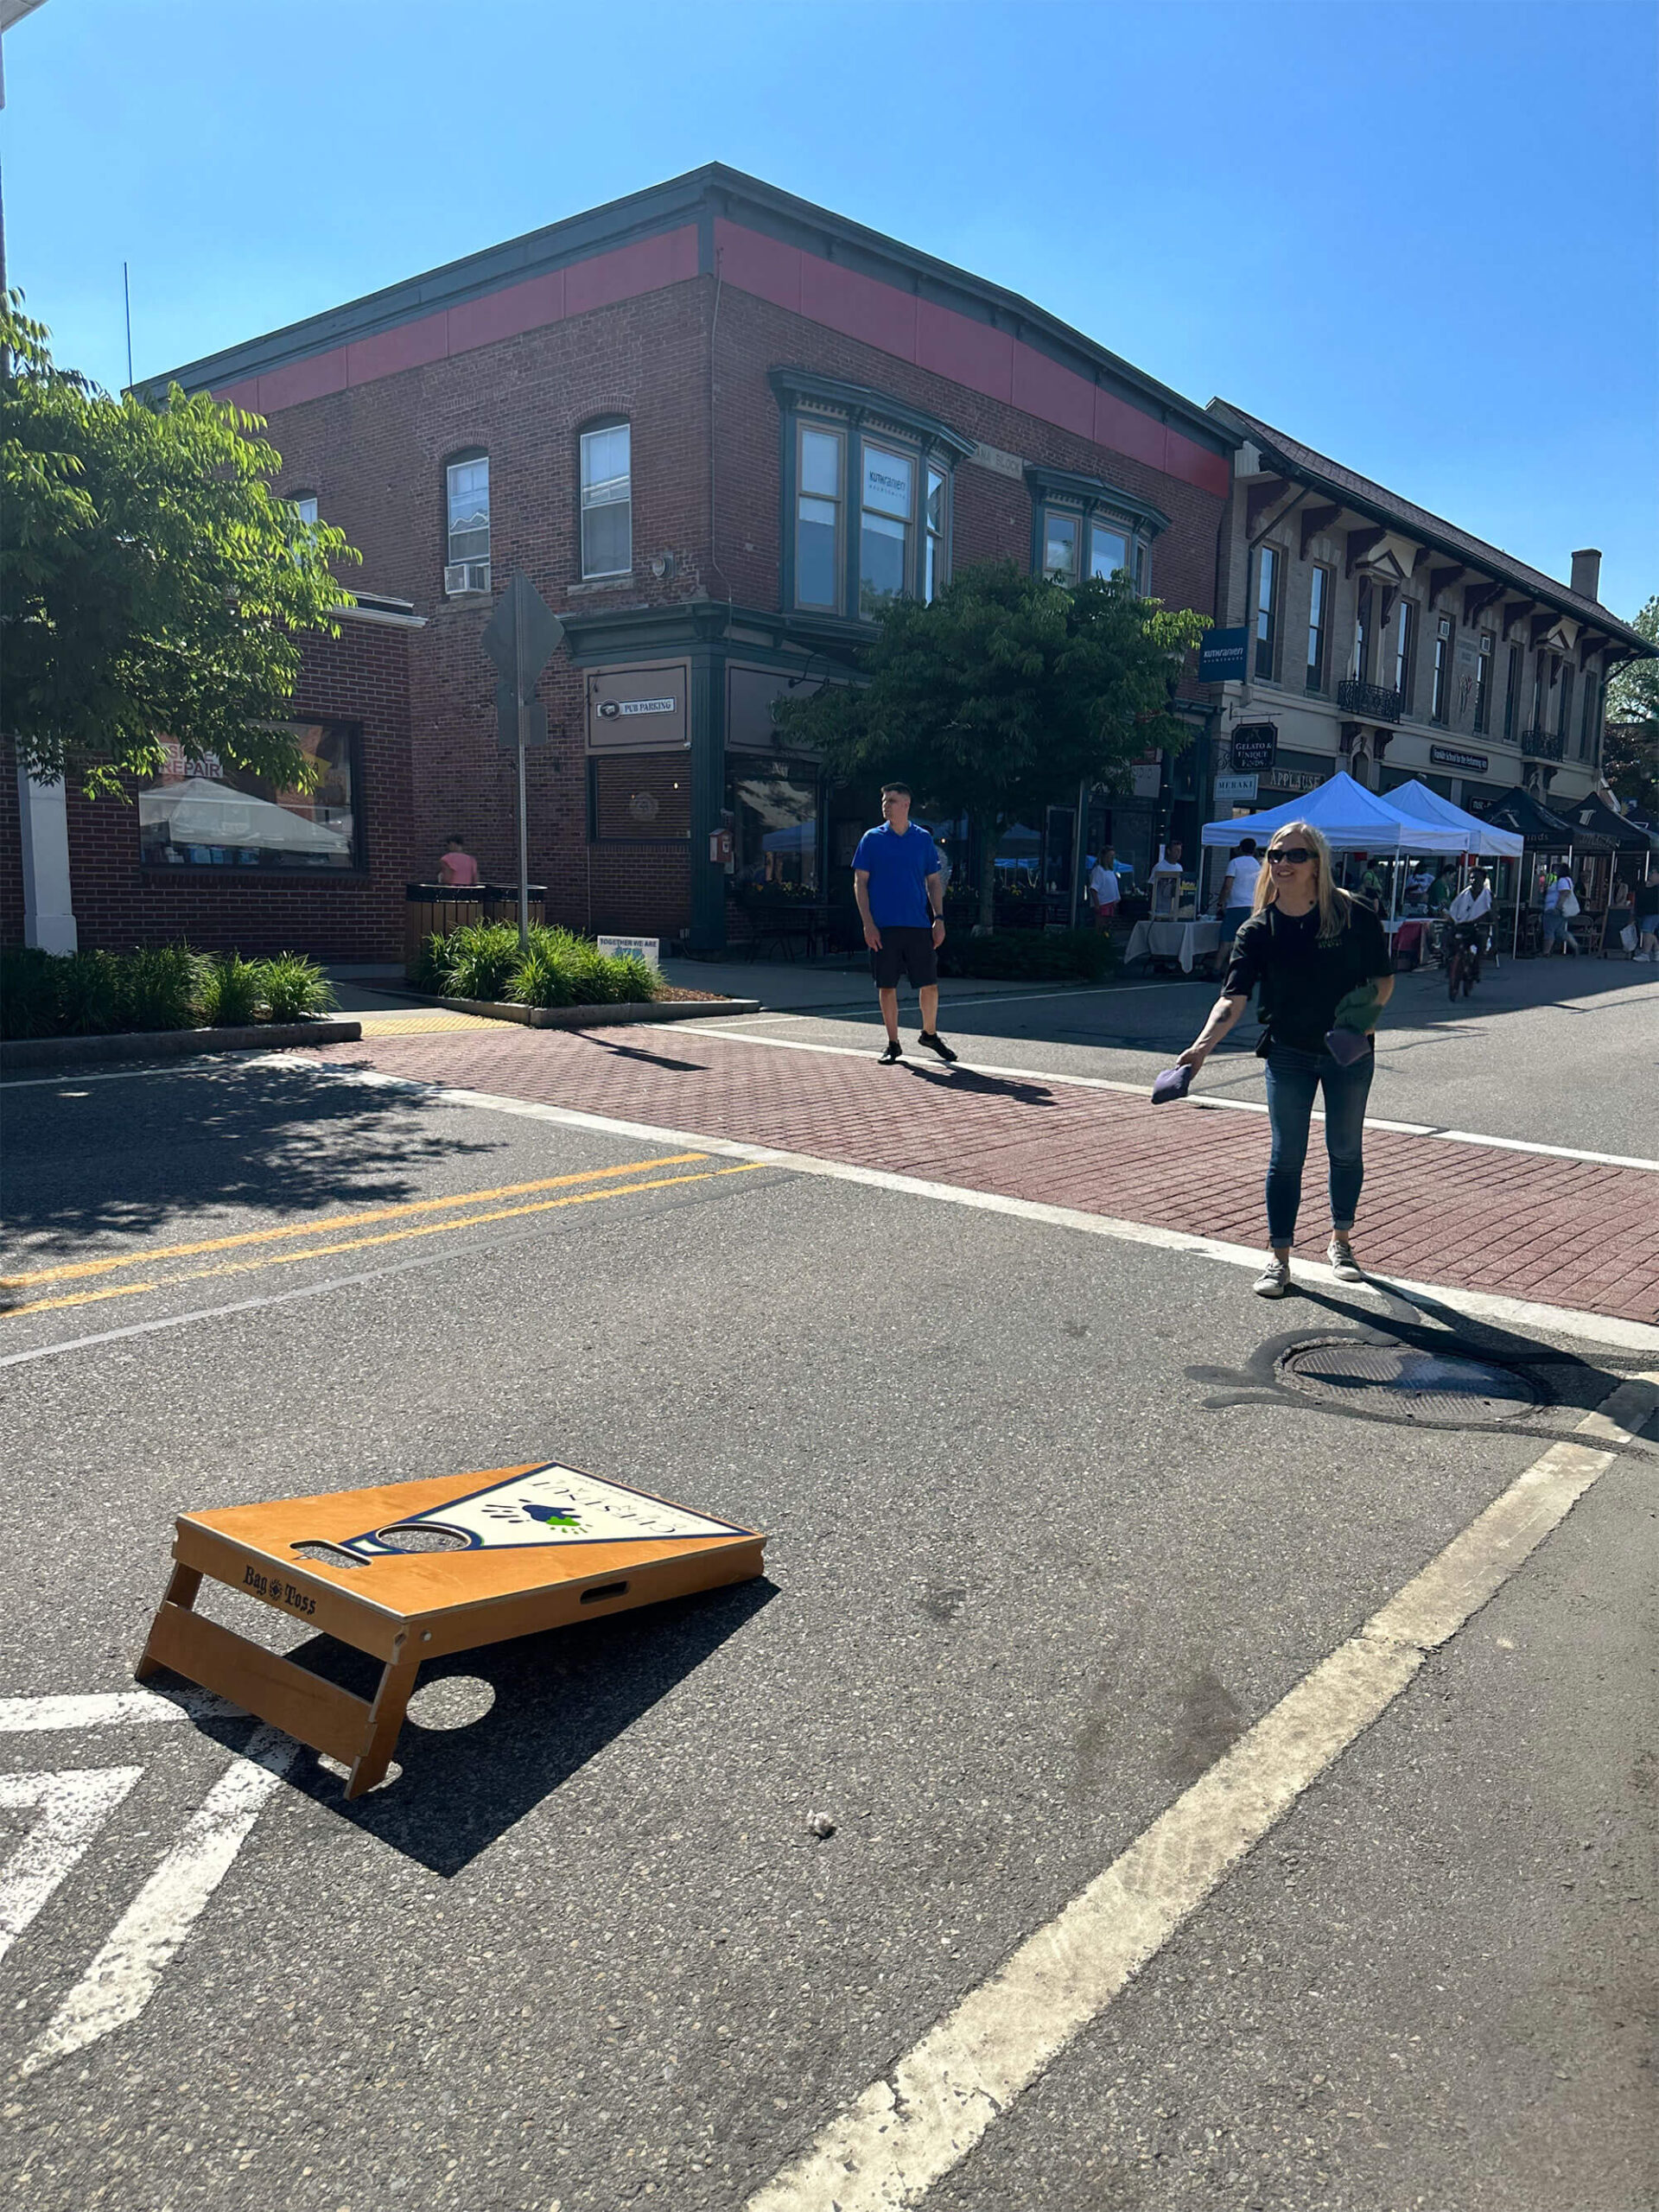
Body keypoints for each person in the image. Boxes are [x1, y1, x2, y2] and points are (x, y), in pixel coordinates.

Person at [1176, 820, 1394, 1298]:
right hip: (1288, 1053)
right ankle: (1279, 1258)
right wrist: (1201, 1048)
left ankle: (1341, 1241)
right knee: (1285, 1156)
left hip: (1347, 1052)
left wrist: (1363, 1023)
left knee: (1345, 1149)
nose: (1282, 863)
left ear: (1317, 863)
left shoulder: (1353, 915)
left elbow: (1383, 978)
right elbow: (1232, 999)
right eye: (1275, 855)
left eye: (1295, 855)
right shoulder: (1258, 930)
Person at [853, 784, 957, 1065]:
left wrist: (939, 919)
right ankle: (893, 1044)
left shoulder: (922, 839)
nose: (885, 805)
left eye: (892, 800)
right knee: (887, 986)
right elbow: (860, 883)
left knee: (929, 984)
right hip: (883, 926)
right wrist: (868, 923)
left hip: (918, 925)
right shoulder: (872, 839)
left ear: (906, 805)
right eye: (884, 800)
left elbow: (933, 882)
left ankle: (929, 1034)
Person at [1211, 837, 1262, 976]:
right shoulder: (1258, 865)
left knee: (1226, 939)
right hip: (1251, 905)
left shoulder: (1235, 863)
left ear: (1240, 848)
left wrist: (1220, 903)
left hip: (1236, 905)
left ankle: (1216, 969)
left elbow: (1228, 885)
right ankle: (1246, 970)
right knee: (1247, 940)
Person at [1447, 868, 1492, 996]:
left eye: (1477, 878)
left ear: (1483, 880)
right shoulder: (1463, 895)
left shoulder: (1488, 897)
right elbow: (1454, 910)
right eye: (1471, 878)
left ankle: (1476, 968)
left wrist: (1494, 941)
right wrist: (1452, 921)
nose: (1473, 881)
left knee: (1481, 945)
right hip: (1463, 927)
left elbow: (1493, 917)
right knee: (1452, 943)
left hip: (1479, 929)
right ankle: (1452, 970)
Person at [1542, 865, 1580, 955]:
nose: (1555, 871)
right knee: (1559, 931)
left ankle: (1546, 951)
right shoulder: (1566, 880)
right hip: (1558, 909)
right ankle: (1573, 943)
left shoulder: (1562, 881)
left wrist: (1558, 906)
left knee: (1549, 930)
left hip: (1554, 908)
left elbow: (1565, 893)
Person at [1088, 848, 1122, 932]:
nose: (1112, 859)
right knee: (1101, 928)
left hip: (1111, 904)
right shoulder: (1099, 870)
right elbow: (1093, 888)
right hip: (1103, 904)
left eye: (1113, 856)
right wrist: (1097, 905)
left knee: (1108, 928)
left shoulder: (1111, 872)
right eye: (1110, 856)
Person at [1634, 875, 1659, 963]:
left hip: (1654, 912)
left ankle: (1645, 954)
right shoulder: (1644, 886)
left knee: (1647, 931)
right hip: (1645, 912)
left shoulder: (1656, 888)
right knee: (1649, 932)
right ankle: (1657, 951)